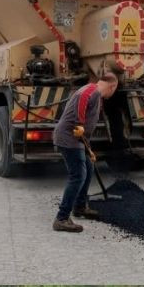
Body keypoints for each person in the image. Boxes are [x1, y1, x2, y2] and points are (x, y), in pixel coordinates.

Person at [51, 72, 119, 233]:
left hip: (77, 138)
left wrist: (88, 147)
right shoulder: (92, 91)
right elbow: (82, 99)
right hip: (69, 138)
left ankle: (80, 207)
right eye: (115, 89)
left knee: (88, 169)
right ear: (113, 86)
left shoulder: (94, 91)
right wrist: (80, 123)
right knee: (78, 176)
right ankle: (61, 218)